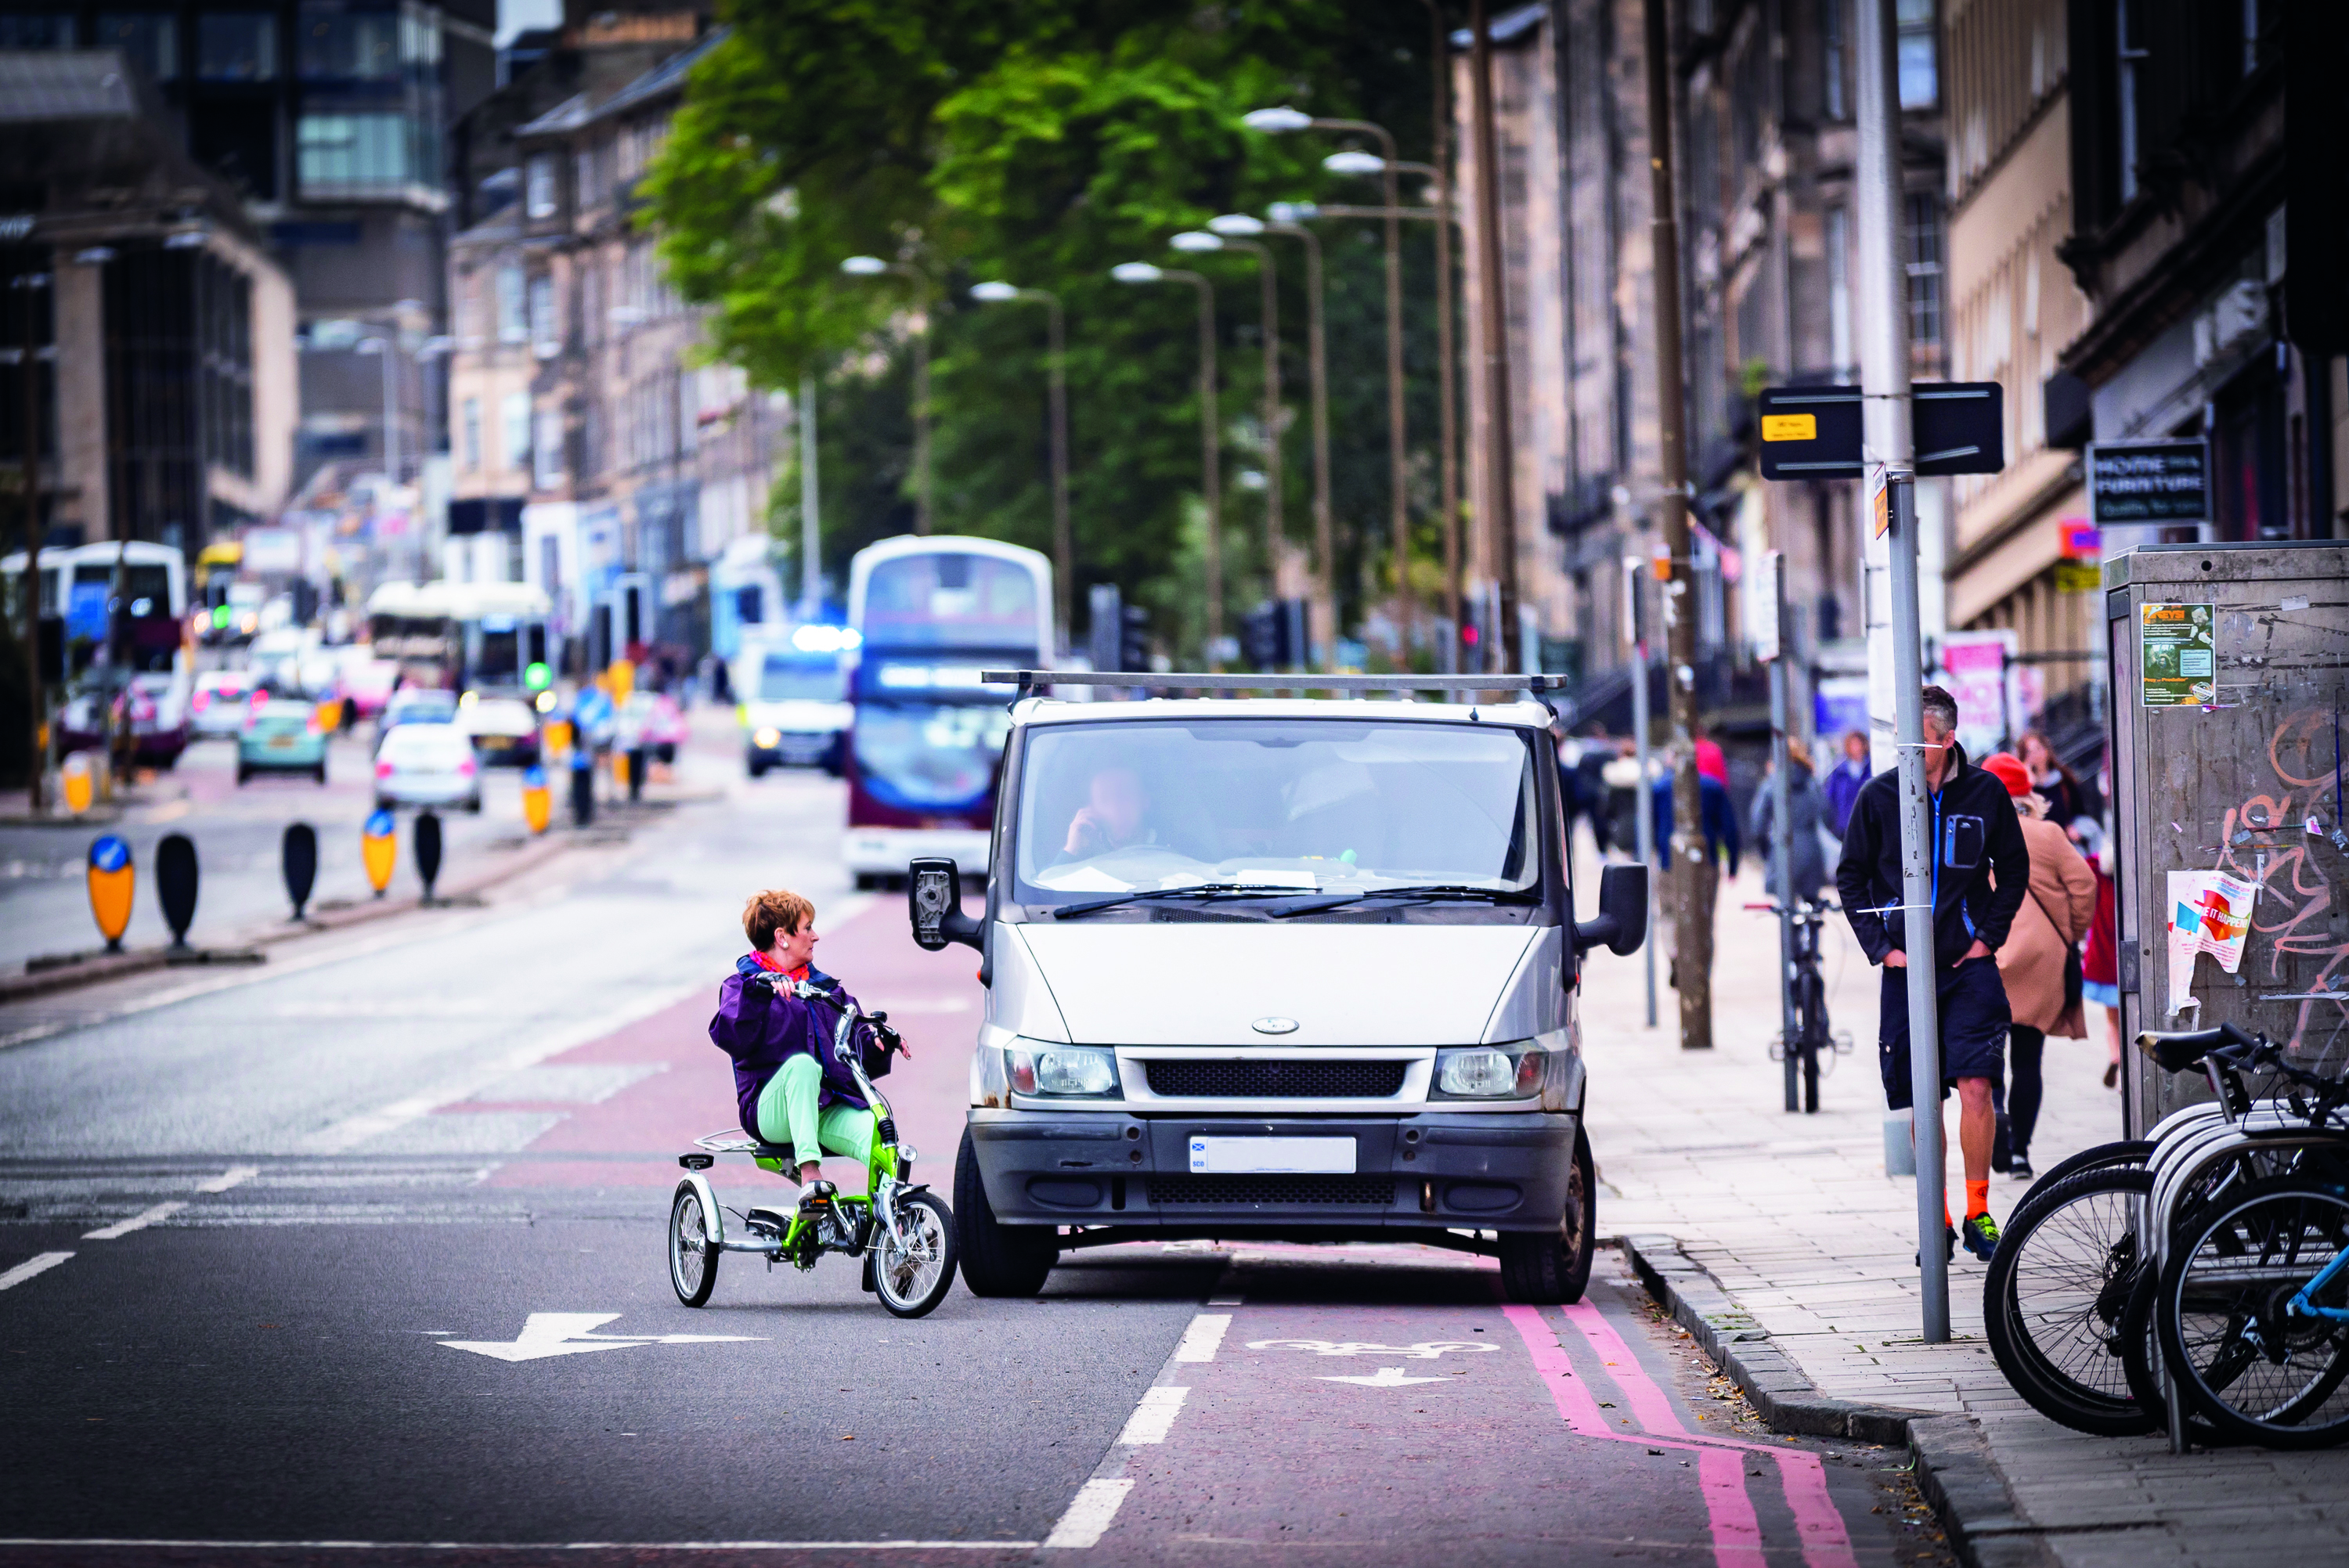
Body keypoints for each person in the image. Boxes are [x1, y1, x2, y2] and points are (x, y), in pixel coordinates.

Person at [1835, 685, 2030, 1263]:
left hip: (1969, 970)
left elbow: (2014, 872)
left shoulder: (1986, 792)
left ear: (1945, 739)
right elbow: (1851, 877)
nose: (1904, 747)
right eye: (1899, 736)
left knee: (1977, 1086)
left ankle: (1978, 1212)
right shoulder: (1879, 796)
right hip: (1905, 972)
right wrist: (1882, 949)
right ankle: (1936, 1216)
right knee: (1924, 1097)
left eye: (1914, 737)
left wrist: (1984, 939)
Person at [708, 889, 901, 1217]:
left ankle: (893, 1226)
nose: (816, 936)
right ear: (782, 937)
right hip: (770, 1112)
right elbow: (730, 1036)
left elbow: (853, 1049)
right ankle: (811, 1177)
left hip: (823, 1108)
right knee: (801, 1066)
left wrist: (877, 1043)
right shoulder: (744, 986)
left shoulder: (826, 990)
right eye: (808, 928)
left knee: (879, 1132)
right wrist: (760, 992)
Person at [1980, 752, 2095, 1181]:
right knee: (2029, 1059)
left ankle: (1994, 1115)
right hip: (2043, 959)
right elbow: (2084, 886)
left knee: (1987, 1055)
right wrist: (2069, 933)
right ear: (2028, 793)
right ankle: (2021, 1153)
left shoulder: (1978, 833)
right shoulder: (2047, 834)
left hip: (1987, 955)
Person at [1652, 752, 1740, 990]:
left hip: (1669, 862)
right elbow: (1730, 828)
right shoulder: (1712, 787)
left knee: (1670, 914)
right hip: (1706, 863)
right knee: (1705, 918)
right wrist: (1732, 863)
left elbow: (1649, 826)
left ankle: (1675, 954)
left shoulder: (1660, 787)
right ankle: (1702, 970)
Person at [1751, 737, 1829, 906]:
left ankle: (1790, 930)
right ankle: (1812, 928)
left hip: (1782, 849)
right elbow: (1827, 814)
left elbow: (1758, 825)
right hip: (1810, 848)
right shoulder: (1811, 782)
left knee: (1786, 908)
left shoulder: (1771, 783)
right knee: (1812, 905)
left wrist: (1766, 851)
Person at [2082, 839, 2121, 1089]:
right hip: (2125, 964)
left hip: (2103, 963)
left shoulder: (2098, 878)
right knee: (2133, 1021)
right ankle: (2125, 1065)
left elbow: (2086, 863)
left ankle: (2115, 1056)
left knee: (2112, 1020)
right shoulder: (2131, 886)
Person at [2016, 730, 2097, 843]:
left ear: (2046, 750)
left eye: (2038, 749)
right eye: (2029, 752)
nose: (2035, 755)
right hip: (2038, 844)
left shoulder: (2063, 779)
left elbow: (2079, 811)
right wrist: (2027, 782)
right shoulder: (2024, 787)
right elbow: (2022, 816)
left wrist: (2074, 827)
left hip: (2065, 841)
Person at [1063, 765, 1155, 859]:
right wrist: (1071, 850)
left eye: (1124, 796)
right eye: (1104, 800)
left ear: (1145, 801)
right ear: (1092, 809)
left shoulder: (1169, 844)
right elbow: (1053, 873)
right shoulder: (1084, 855)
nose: (1115, 809)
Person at [1575, 722, 1615, 856]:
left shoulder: (1583, 752)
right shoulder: (1602, 752)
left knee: (1595, 823)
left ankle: (1602, 850)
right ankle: (1602, 850)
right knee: (1599, 822)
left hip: (1586, 793)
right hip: (1597, 793)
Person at [1823, 729, 1871, 839]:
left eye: (1859, 744)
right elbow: (1830, 800)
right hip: (1844, 828)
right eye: (1853, 745)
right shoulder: (1839, 773)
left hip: (1867, 826)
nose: (1857, 748)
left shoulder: (1871, 770)